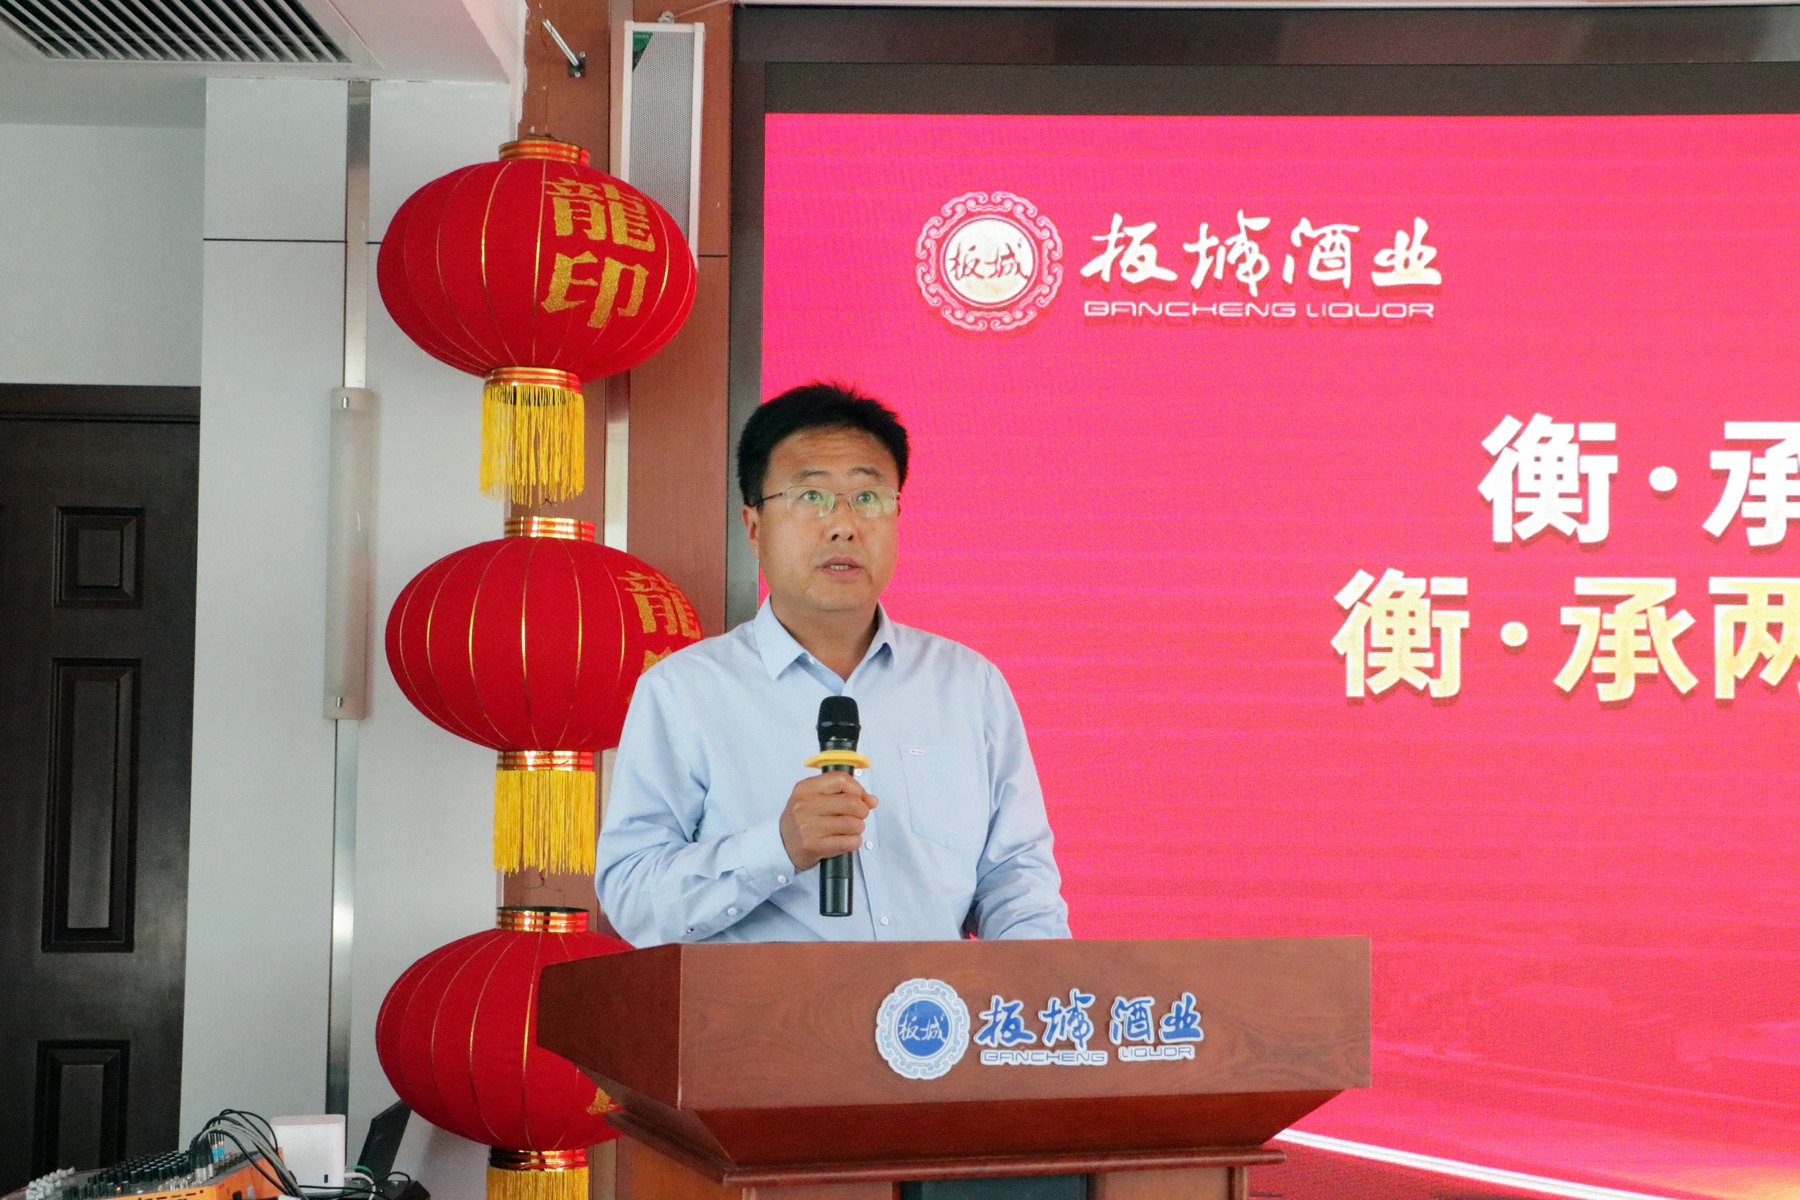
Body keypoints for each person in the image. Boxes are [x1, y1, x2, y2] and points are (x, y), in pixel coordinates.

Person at [595, 382, 1069, 945]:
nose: (843, 524)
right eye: (811, 496)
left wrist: (1039, 985)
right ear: (754, 528)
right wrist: (777, 847)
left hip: (933, 1002)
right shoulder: (684, 691)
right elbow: (633, 898)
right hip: (762, 1004)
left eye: (867, 498)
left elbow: (1017, 882)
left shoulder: (968, 684)